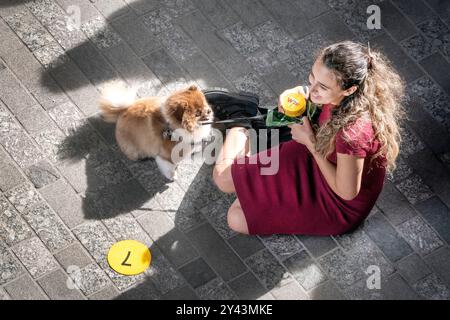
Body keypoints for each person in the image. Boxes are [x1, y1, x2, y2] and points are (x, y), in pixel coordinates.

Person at [206, 41, 405, 236]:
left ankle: (246, 122)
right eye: (312, 78)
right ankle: (244, 117)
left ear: (349, 90)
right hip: (320, 150)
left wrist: (310, 142)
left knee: (236, 218)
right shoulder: (347, 96)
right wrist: (300, 97)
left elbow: (347, 193)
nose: (312, 89)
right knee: (224, 180)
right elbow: (317, 99)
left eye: (322, 87)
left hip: (336, 202)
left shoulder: (352, 134)